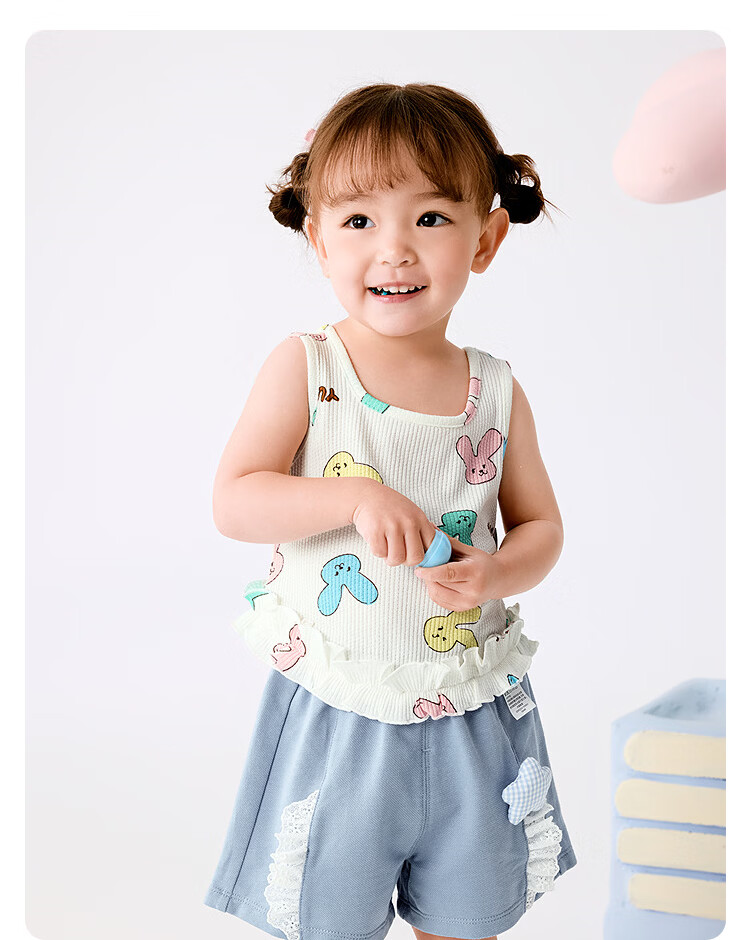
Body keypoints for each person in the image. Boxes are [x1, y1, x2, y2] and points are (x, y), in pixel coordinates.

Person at [204, 82, 577, 940]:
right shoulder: (309, 367)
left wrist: (496, 571)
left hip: (469, 704)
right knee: (327, 918)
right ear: (318, 238)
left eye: (431, 218)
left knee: (468, 916)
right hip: (342, 706)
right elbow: (236, 499)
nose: (395, 250)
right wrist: (355, 495)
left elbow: (542, 527)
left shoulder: (495, 389)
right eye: (360, 221)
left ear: (485, 239)